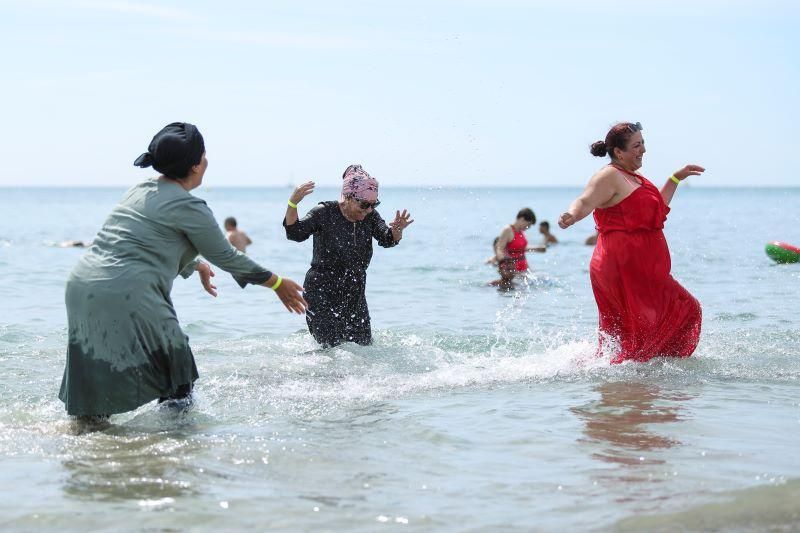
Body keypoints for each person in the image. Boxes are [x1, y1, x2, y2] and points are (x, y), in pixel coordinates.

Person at [58, 122, 307, 422]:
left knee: (96, 379)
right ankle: (176, 443)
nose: (206, 160)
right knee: (178, 372)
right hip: (129, 293)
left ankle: (90, 443)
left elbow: (139, 240)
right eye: (204, 154)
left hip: (82, 286)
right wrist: (276, 283)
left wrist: (195, 264)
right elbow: (227, 256)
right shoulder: (190, 206)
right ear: (195, 165)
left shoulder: (140, 189)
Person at [558, 121, 704, 363]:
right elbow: (585, 200)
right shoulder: (609, 176)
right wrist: (572, 215)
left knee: (685, 310)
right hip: (620, 267)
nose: (643, 150)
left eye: (643, 143)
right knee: (640, 329)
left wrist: (675, 179)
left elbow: (657, 208)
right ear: (619, 152)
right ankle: (626, 376)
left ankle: (644, 372)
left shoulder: (634, 178)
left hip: (643, 270)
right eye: (637, 145)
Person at [284, 164, 413, 348]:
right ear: (349, 197)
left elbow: (388, 239)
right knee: (331, 350)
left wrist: (397, 231)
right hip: (321, 293)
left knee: (364, 349)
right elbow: (295, 233)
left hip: (355, 295)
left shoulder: (370, 217)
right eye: (364, 204)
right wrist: (293, 203)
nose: (369, 210)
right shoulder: (324, 212)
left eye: (374, 204)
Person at [494, 208, 546, 275]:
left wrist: (537, 249)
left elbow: (520, 250)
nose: (528, 227)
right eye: (528, 225)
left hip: (524, 269)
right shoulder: (508, 230)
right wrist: (504, 266)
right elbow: (499, 249)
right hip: (514, 272)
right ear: (522, 219)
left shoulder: (520, 232)